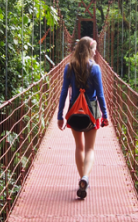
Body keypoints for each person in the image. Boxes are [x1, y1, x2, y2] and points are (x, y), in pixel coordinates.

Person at [57, 36, 109, 199]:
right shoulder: (95, 68)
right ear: (88, 50)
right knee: (90, 148)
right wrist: (105, 116)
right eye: (94, 49)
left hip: (74, 112)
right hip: (91, 113)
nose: (96, 52)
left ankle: (81, 180)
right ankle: (85, 177)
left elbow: (64, 93)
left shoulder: (69, 67)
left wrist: (60, 116)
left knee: (79, 147)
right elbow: (100, 95)